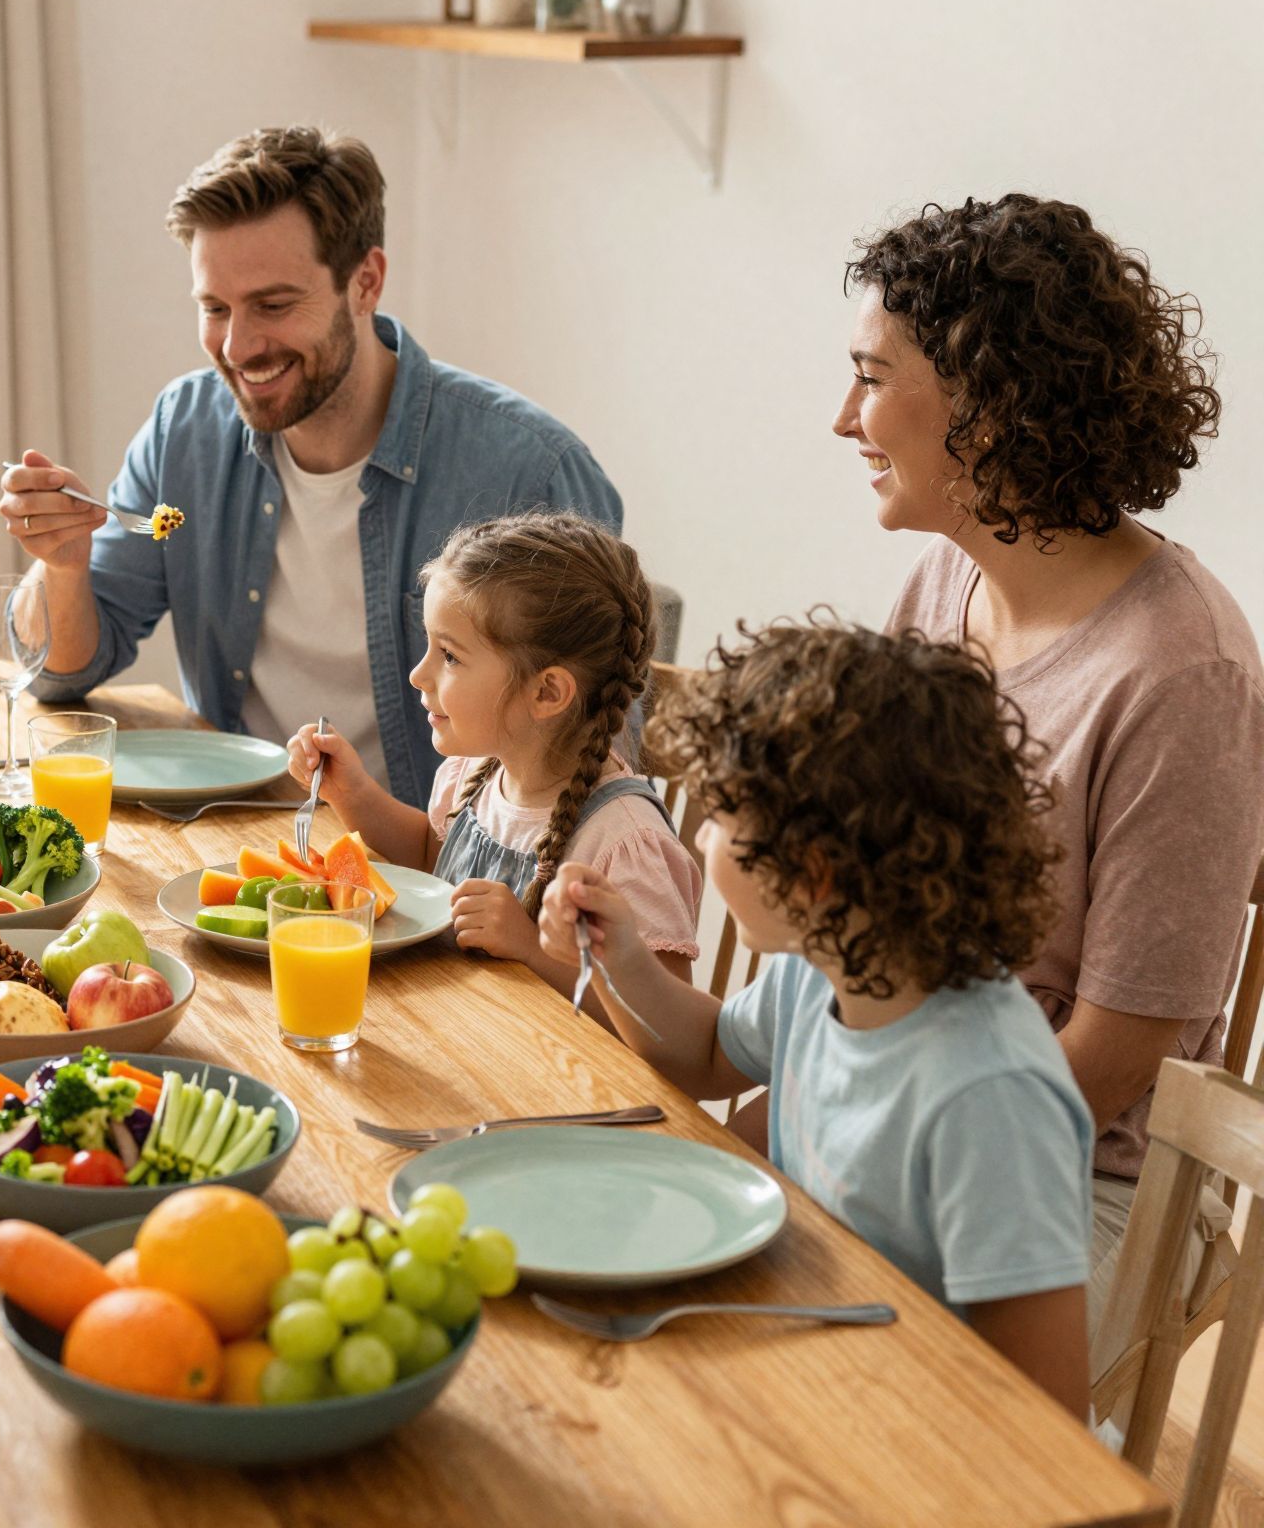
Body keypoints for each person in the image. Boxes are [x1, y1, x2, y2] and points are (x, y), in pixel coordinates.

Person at [835, 194, 1264, 1328]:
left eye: (871, 377)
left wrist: (877, 1130)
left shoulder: (1181, 674)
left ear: (986, 400)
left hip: (1080, 1174)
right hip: (909, 1107)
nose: (843, 417)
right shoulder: (938, 584)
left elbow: (1113, 1055)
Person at [541, 619, 1092, 1416]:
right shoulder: (821, 972)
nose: (702, 836)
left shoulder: (990, 1095)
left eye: (725, 820)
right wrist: (626, 954)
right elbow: (702, 1054)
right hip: (802, 1369)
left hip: (915, 1429)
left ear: (816, 875)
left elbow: (1044, 1413)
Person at [1, 126, 623, 807]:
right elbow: (64, 673)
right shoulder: (187, 429)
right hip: (230, 840)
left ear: (366, 282)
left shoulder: (528, 475)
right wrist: (61, 565)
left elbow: (596, 767)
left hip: (429, 882)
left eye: (273, 305)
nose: (238, 346)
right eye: (215, 309)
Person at [288, 514, 697, 998]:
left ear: (547, 692)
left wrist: (532, 949)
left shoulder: (624, 843)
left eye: (450, 656)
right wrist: (351, 791)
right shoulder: (474, 774)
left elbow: (666, 1025)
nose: (419, 675)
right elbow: (429, 856)